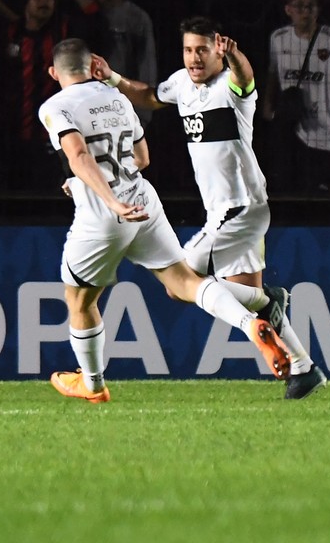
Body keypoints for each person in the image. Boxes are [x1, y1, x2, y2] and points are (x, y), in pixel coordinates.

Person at [39, 38, 290, 403]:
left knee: (79, 301)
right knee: (185, 282)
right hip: (143, 200)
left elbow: (77, 153)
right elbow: (141, 157)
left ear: (53, 72)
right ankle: (253, 322)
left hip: (104, 214)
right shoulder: (116, 98)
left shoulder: (55, 106)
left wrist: (108, 198)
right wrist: (113, 188)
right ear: (90, 65)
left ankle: (92, 385)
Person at [92, 16, 327, 399]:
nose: (194, 58)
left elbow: (246, 76)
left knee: (177, 283)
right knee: (247, 300)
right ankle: (304, 369)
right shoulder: (183, 83)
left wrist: (234, 55)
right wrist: (112, 78)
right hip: (224, 211)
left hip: (240, 209)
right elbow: (151, 95)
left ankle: (271, 299)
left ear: (216, 50)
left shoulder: (231, 88)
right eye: (188, 50)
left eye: (202, 50)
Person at [0, 0, 107, 192]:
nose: (44, 1)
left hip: (56, 128)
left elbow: (97, 21)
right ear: (25, 2)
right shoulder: (10, 33)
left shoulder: (63, 30)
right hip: (15, 126)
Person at [264, 0, 330, 193]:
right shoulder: (278, 39)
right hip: (290, 130)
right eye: (300, 6)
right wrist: (268, 106)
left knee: (320, 193)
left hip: (322, 132)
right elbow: (272, 73)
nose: (305, 12)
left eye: (311, 6)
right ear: (288, 9)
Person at [88, 0, 157, 126]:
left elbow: (146, 63)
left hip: (124, 105)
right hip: (89, 105)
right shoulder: (82, 15)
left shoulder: (136, 17)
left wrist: (143, 110)